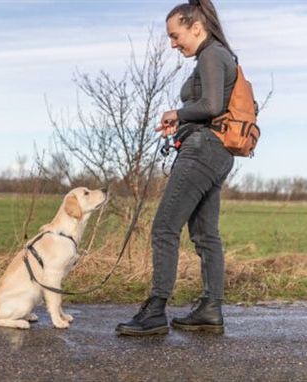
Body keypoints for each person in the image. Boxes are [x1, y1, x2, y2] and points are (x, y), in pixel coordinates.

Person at [116, 0, 236, 336]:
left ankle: (155, 310)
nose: (172, 43)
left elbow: (211, 104)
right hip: (215, 151)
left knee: (164, 228)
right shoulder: (219, 55)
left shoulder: (212, 54)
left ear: (196, 27)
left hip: (201, 151)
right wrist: (182, 122)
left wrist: (178, 114)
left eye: (175, 35)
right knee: (205, 235)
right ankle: (210, 309)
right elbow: (211, 108)